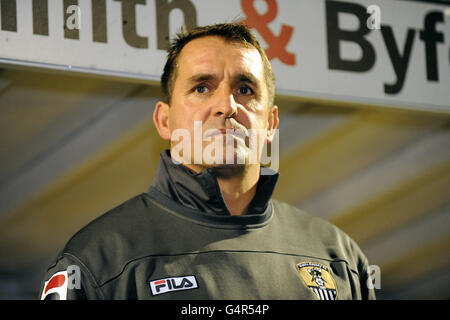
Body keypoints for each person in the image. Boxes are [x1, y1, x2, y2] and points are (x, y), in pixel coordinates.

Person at [39, 23, 375, 300]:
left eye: (245, 89)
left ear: (271, 123)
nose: (226, 106)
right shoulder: (98, 260)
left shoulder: (337, 257)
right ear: (164, 121)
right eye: (202, 88)